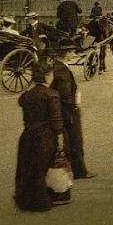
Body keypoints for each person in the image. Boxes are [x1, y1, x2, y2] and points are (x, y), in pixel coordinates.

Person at [14, 61, 70, 211]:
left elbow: (21, 102)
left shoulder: (26, 96)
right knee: (41, 170)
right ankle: (42, 202)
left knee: (28, 170)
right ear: (47, 76)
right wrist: (60, 140)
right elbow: (57, 121)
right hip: (45, 137)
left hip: (27, 136)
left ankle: (25, 201)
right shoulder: (52, 95)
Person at [51, 39, 96, 179]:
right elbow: (65, 95)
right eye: (72, 52)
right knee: (75, 141)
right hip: (68, 111)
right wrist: (74, 107)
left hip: (60, 110)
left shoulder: (56, 66)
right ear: (66, 53)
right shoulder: (63, 71)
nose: (74, 54)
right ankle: (80, 171)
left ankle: (72, 168)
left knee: (68, 141)